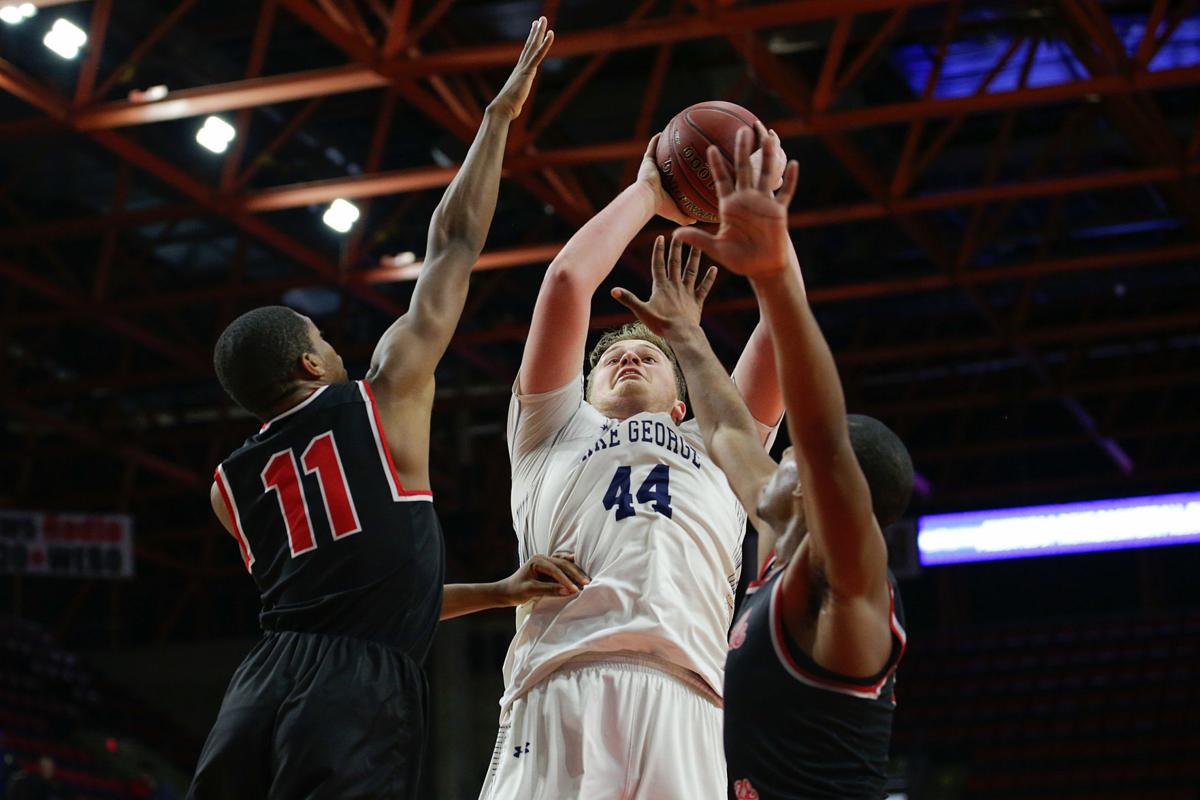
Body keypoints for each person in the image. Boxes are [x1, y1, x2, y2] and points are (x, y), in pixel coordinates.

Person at [187, 19, 556, 800]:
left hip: (258, 687)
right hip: (353, 692)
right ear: (307, 362)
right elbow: (454, 243)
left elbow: (352, 603)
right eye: (322, 336)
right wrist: (495, 120)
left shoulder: (228, 491)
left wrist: (500, 592)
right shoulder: (382, 396)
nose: (335, 344)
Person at [478, 125, 787, 800]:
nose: (625, 357)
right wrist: (651, 190)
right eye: (609, 359)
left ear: (682, 401)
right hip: (559, 682)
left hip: (688, 696)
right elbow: (566, 281)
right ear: (580, 393)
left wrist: (773, 245)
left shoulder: (722, 446)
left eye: (649, 356)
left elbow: (784, 338)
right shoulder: (552, 431)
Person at [615, 128, 912, 799]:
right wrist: (687, 339)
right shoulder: (784, 538)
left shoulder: (851, 586)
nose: (772, 460)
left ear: (824, 493)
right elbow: (726, 430)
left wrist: (777, 277)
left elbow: (823, 436)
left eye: (794, 460)